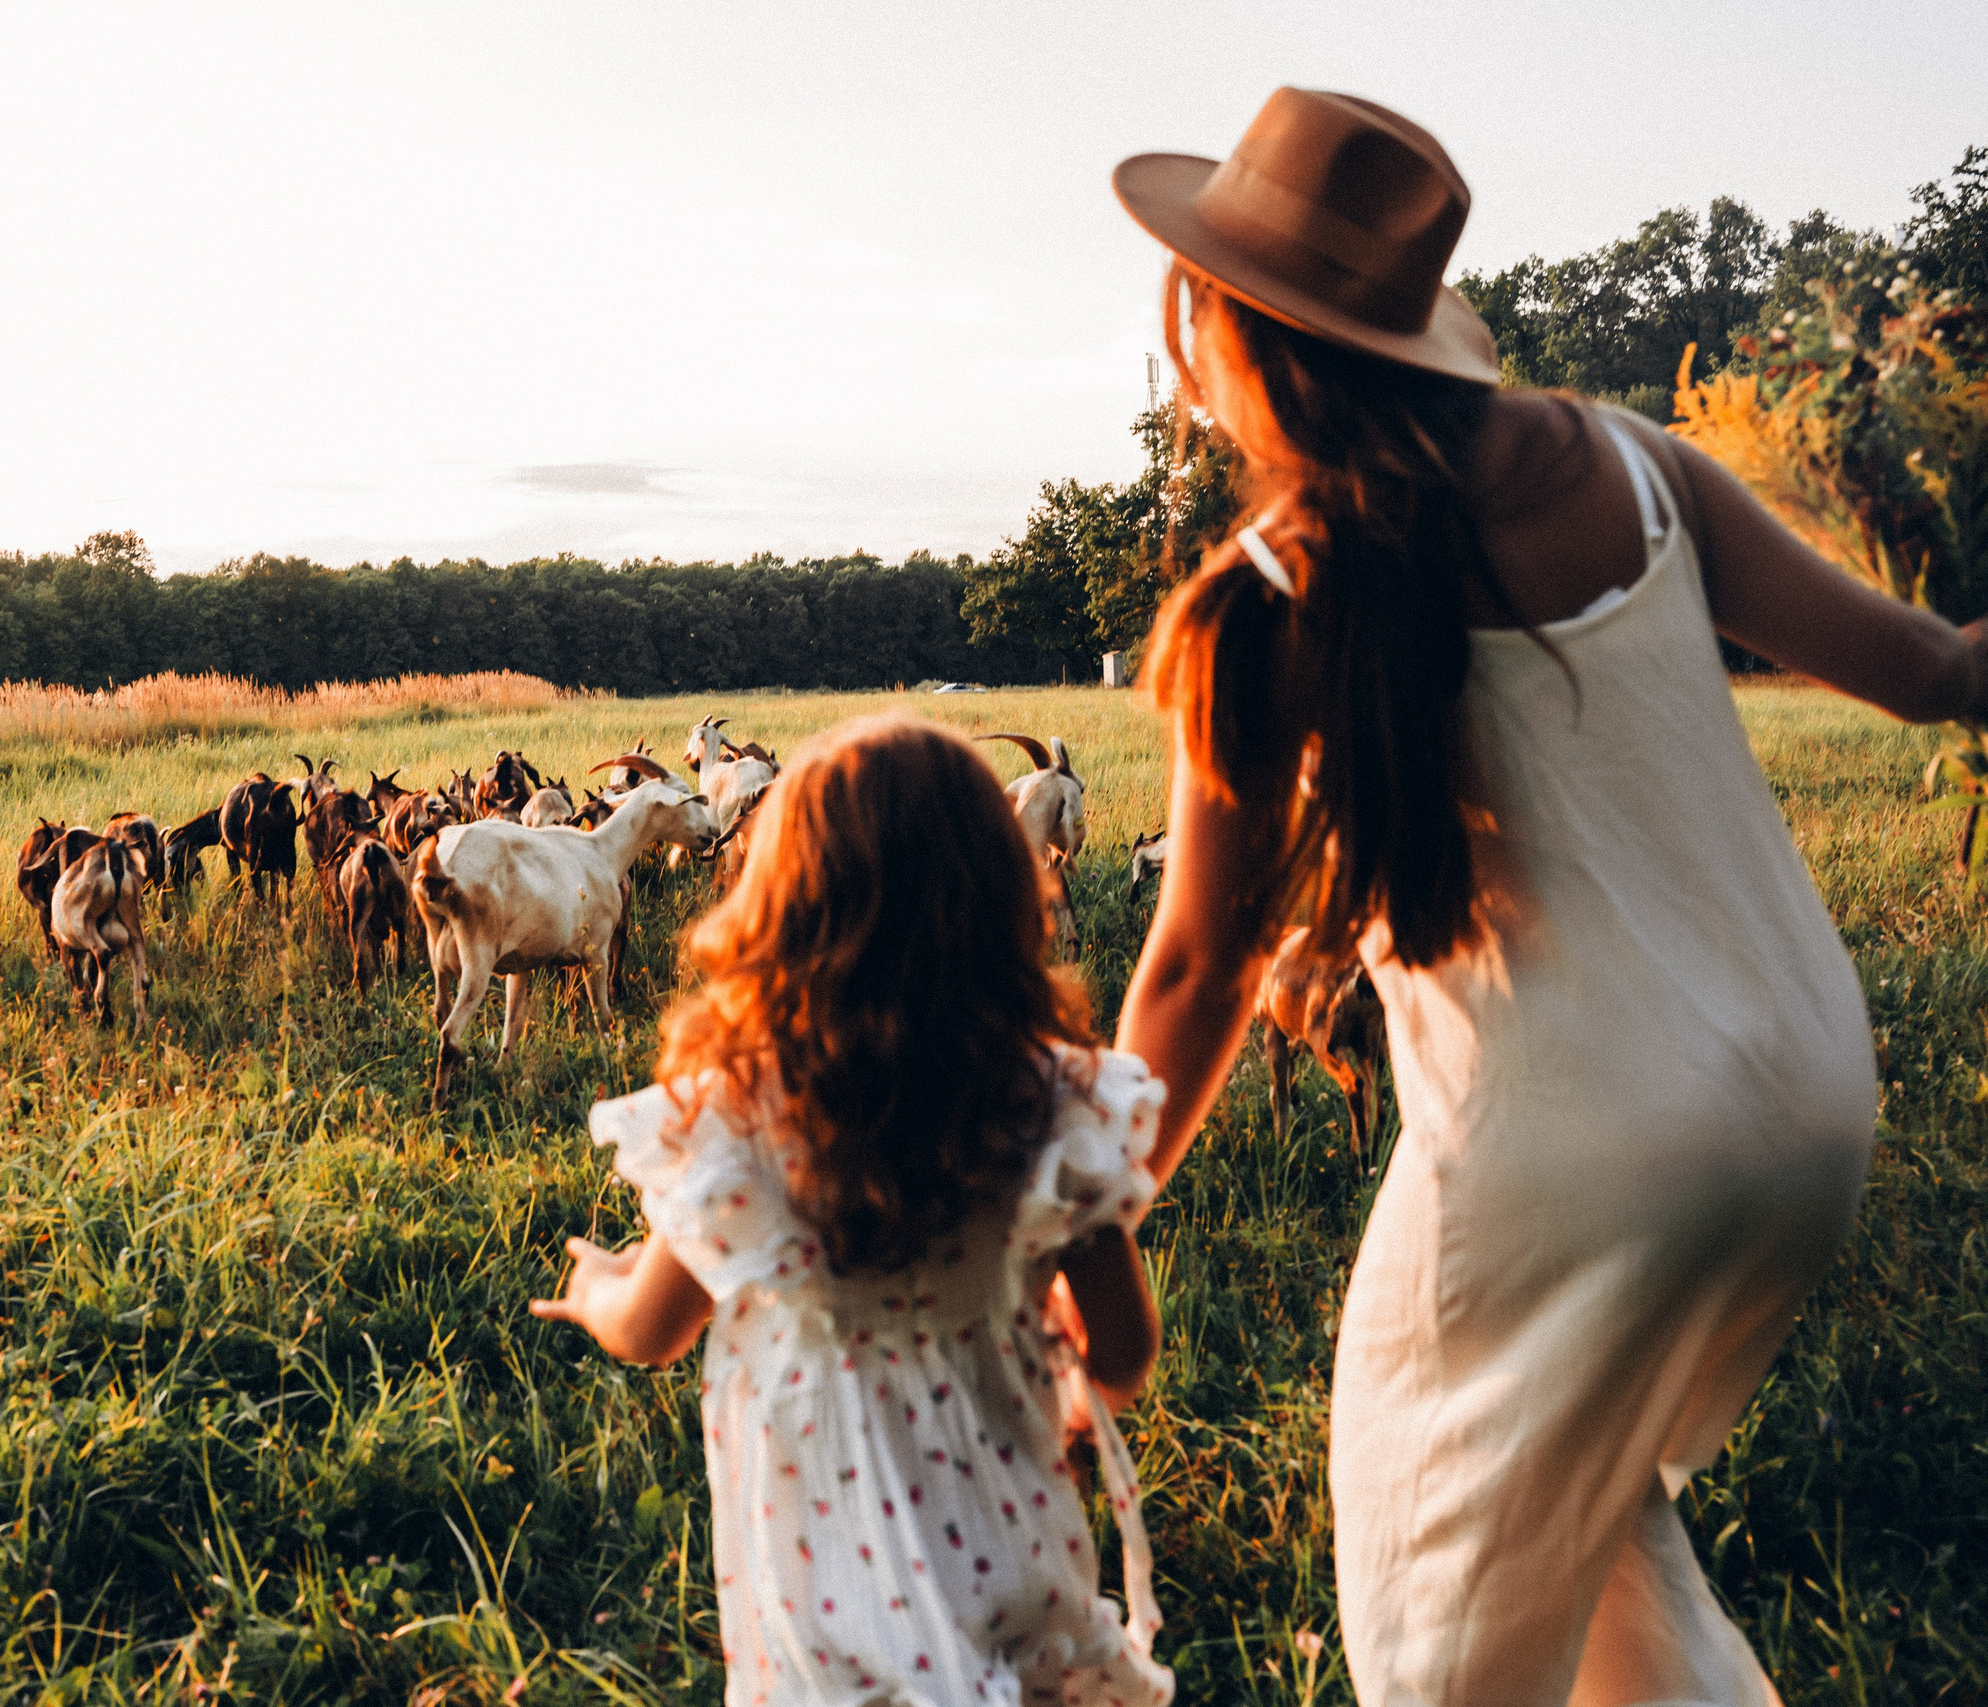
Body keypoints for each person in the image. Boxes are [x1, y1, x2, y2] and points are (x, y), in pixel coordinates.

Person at [1106, 88, 1988, 1703]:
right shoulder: (1637, 466)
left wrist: (1079, 1215)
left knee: (1434, 1590)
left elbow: (1191, 975)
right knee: (1579, 1528)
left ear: (1220, 327)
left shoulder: (1267, 598)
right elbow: (1937, 671)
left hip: (1570, 1149)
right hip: (1803, 1105)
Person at [531, 713, 1177, 1707]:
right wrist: (1065, 1407)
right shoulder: (1051, 1102)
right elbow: (1125, 1349)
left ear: (787, 905)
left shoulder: (745, 1116)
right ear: (1004, 895)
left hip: (821, 1592)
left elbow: (653, 1329)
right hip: (1012, 1551)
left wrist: (597, 1286)